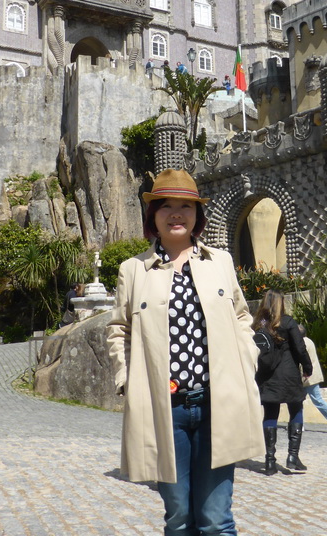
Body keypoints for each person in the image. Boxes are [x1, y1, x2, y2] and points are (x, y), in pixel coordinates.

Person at [106, 168, 263, 535]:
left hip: (216, 405)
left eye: (186, 206)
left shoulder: (220, 262)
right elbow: (119, 330)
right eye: (167, 206)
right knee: (178, 518)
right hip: (166, 410)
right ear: (153, 216)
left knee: (216, 519)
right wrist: (128, 381)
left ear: (197, 215)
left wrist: (247, 358)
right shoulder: (133, 270)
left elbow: (242, 316)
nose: (176, 213)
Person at [252, 289, 312, 475]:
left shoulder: (259, 324)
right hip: (289, 374)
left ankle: (269, 461)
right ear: (281, 303)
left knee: (270, 413)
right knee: (296, 409)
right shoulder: (287, 322)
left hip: (267, 375)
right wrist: (308, 368)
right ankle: (293, 456)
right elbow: (300, 348)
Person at [300, 324, 327, 433]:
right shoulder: (309, 341)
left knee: (313, 400)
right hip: (311, 377)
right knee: (307, 401)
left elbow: (301, 361)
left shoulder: (302, 343)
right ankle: (299, 424)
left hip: (307, 378)